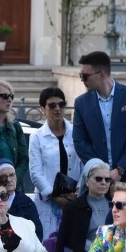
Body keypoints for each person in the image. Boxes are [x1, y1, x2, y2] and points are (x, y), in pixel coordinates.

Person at [72, 51, 126, 182]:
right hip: (98, 180)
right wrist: (99, 170)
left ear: (102, 74)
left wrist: (120, 169)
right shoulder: (81, 103)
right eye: (80, 75)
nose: (82, 80)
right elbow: (80, 141)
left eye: (85, 76)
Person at [29, 87, 82, 242]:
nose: (57, 109)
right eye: (52, 105)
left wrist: (77, 193)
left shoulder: (76, 132)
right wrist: (54, 195)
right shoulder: (37, 137)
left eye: (61, 104)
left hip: (74, 199)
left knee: (72, 246)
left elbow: (84, 165)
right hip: (47, 202)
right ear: (42, 109)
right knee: (48, 244)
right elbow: (35, 172)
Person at [0, 158, 43, 239]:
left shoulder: (27, 203)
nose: (9, 180)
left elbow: (37, 234)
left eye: (12, 175)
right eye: (3, 176)